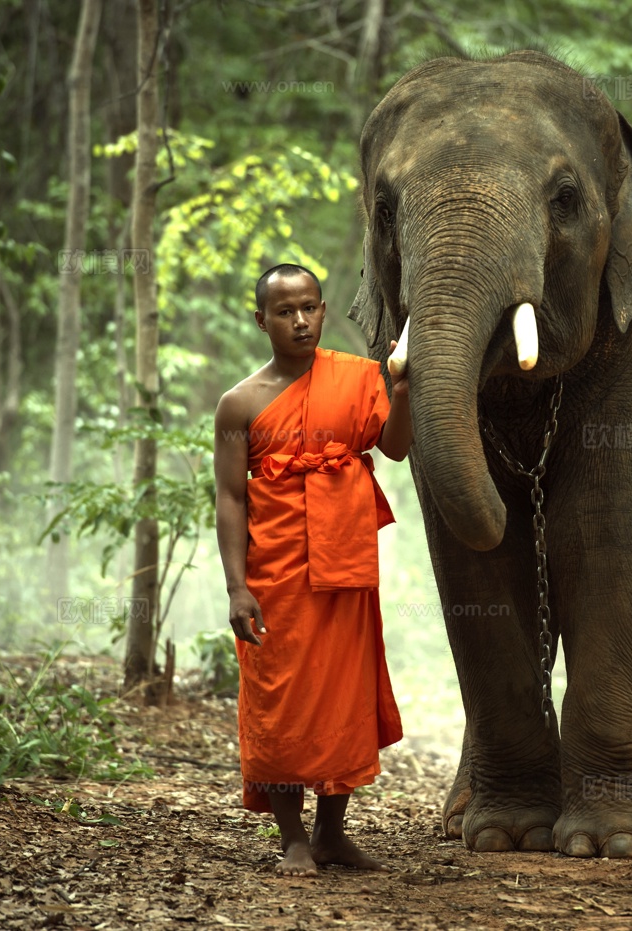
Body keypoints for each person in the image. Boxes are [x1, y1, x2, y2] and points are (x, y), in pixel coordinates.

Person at [213, 263, 411, 877]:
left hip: (343, 563)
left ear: (324, 311)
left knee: (341, 693)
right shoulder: (238, 403)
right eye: (284, 311)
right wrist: (237, 586)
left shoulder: (356, 378)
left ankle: (331, 834)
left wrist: (402, 396)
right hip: (273, 574)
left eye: (309, 308)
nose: (299, 321)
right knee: (278, 697)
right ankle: (292, 836)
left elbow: (397, 448)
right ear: (261, 320)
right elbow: (229, 498)